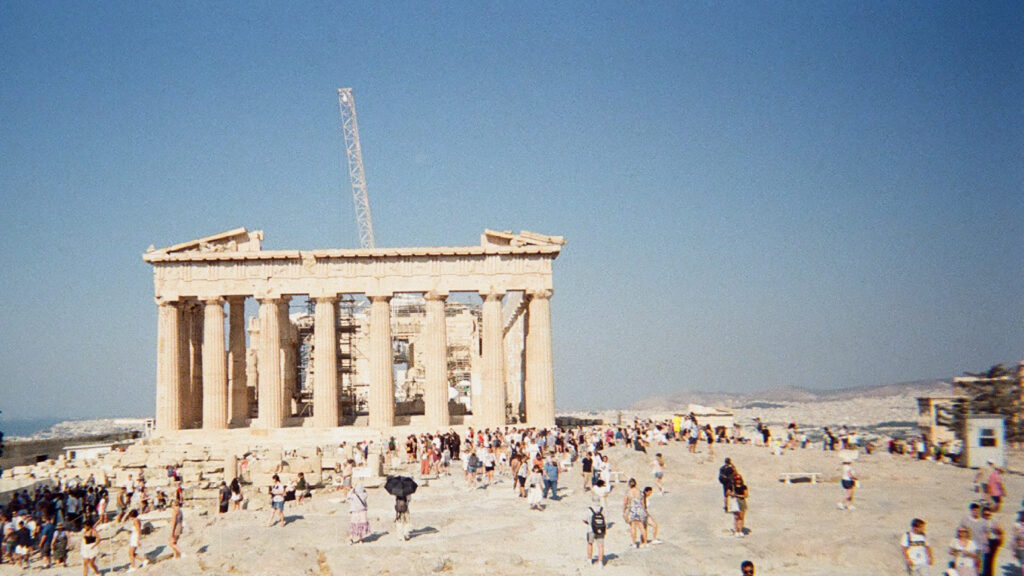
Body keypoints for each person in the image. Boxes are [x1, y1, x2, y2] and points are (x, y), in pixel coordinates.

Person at [622, 478, 647, 549]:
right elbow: (643, 502)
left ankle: (634, 543)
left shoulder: (628, 492)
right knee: (641, 526)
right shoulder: (640, 491)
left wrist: (623, 511)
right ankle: (645, 542)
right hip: (639, 509)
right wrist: (644, 510)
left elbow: (625, 502)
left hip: (632, 509)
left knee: (633, 527)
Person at [980, 506, 1003, 576]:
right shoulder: (981, 521)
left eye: (988, 514)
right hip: (985, 542)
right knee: (986, 560)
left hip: (992, 542)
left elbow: (1000, 532)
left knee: (990, 560)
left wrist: (1000, 541)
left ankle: (988, 574)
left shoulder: (993, 522)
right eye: (985, 514)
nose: (987, 516)